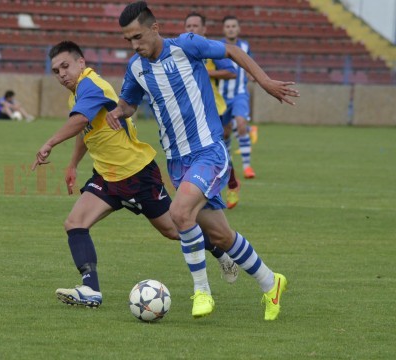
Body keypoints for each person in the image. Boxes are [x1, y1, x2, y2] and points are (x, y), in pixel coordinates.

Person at [107, 1, 298, 320]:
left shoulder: (187, 45)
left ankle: (202, 292)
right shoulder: (136, 68)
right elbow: (128, 103)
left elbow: (232, 52)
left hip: (209, 150)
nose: (135, 45)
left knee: (180, 213)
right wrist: (117, 112)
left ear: (155, 28)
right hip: (178, 163)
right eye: (128, 40)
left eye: (138, 37)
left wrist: (263, 82)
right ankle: (271, 282)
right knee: (221, 236)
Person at [31, 40, 238, 308]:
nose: (61, 74)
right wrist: (72, 164)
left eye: (65, 66)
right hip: (107, 177)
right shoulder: (78, 94)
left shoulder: (90, 84)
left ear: (81, 62)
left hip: (137, 174)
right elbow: (87, 129)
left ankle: (222, 252)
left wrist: (49, 143)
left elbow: (81, 120)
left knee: (175, 230)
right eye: (56, 70)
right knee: (74, 223)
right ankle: (90, 289)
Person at [184, 12, 241, 209]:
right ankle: (203, 191)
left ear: (204, 29)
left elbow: (231, 72)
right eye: (188, 26)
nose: (191, 29)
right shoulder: (180, 50)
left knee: (218, 152)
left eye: (195, 26)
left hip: (215, 109)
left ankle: (230, 185)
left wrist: (207, 72)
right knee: (196, 152)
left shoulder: (209, 49)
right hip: (191, 111)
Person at [220, 15, 257, 179]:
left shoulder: (244, 45)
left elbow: (248, 63)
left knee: (241, 123)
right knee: (225, 133)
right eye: (228, 26)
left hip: (240, 93)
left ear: (238, 29)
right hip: (221, 96)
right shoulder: (218, 46)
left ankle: (247, 167)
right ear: (224, 29)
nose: (231, 29)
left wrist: (251, 74)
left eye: (233, 26)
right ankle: (228, 165)